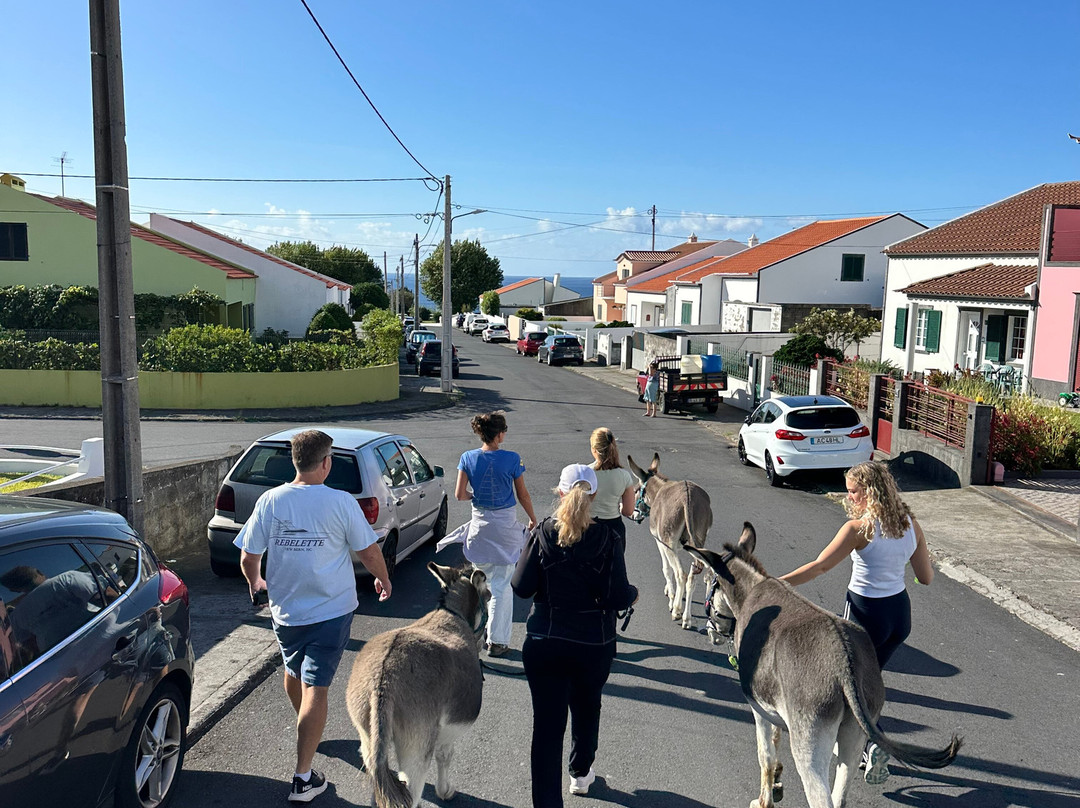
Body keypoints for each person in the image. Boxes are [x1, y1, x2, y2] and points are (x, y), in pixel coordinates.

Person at [235, 429, 392, 803]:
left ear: (295, 461)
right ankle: (303, 778)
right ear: (326, 463)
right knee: (315, 687)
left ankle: (309, 726)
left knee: (293, 672)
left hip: (286, 612)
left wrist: (255, 582)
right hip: (330, 612)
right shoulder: (340, 501)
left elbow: (248, 556)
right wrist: (384, 579)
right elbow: (368, 551)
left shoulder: (270, 500)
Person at [778, 460, 934, 786]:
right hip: (898, 618)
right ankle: (868, 742)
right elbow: (926, 577)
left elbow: (819, 567)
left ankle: (871, 743)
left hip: (865, 616)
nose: (849, 498)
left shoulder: (858, 530)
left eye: (853, 492)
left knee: (853, 690)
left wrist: (778, 584)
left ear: (869, 493)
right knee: (866, 683)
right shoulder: (910, 523)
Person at [512, 464, 638, 807]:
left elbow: (521, 587)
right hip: (592, 643)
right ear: (594, 495)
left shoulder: (541, 532)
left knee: (547, 730)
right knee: (587, 708)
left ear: (560, 493)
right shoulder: (608, 538)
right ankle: (581, 774)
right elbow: (616, 595)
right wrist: (633, 595)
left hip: (545, 640)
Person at [454, 411, 537, 657]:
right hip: (504, 529)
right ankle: (497, 641)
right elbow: (522, 495)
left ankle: (476, 635)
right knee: (502, 586)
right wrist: (533, 518)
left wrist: (474, 495)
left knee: (482, 585)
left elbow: (460, 494)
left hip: (479, 529)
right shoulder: (512, 459)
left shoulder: (467, 458)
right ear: (500, 435)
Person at [587, 427, 635, 546]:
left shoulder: (585, 473)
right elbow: (628, 511)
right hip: (613, 528)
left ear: (594, 450)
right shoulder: (624, 475)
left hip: (588, 527)